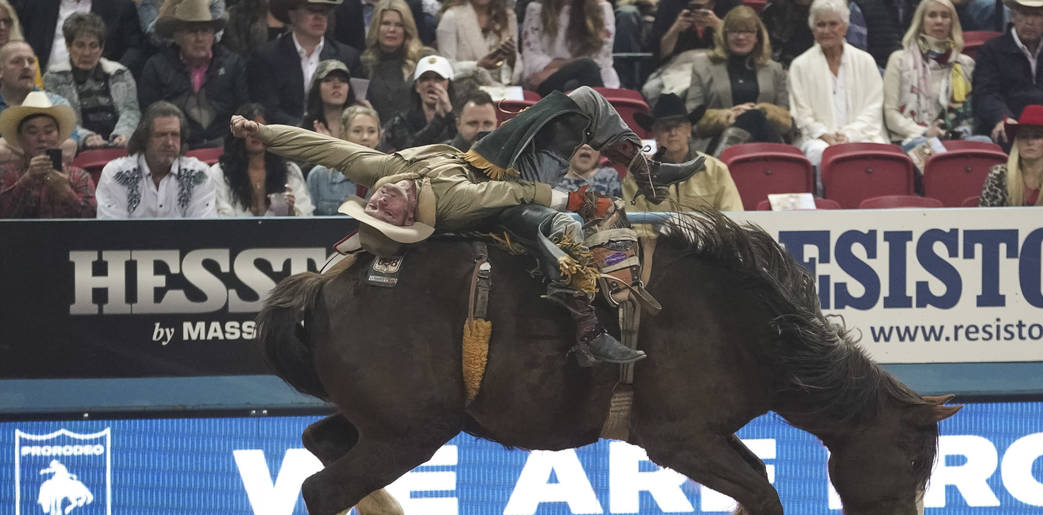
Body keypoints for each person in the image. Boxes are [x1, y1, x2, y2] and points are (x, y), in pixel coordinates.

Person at [230, 86, 706, 364]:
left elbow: (326, 150)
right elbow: (512, 194)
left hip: (492, 160)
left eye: (373, 204)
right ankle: (584, 328)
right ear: (406, 221)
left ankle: (645, 167)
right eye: (385, 212)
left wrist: (264, 133)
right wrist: (572, 198)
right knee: (559, 227)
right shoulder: (451, 202)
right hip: (511, 193)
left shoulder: (385, 173)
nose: (380, 201)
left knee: (582, 97)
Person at [788, 0, 887, 169]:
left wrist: (849, 134)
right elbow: (801, 113)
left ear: (844, 27)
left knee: (874, 154)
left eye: (833, 24)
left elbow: (873, 108)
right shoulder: (799, 65)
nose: (827, 31)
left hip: (862, 134)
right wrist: (823, 134)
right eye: (820, 25)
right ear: (813, 29)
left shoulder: (865, 61)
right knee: (819, 153)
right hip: (818, 139)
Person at [684, 5, 793, 156]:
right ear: (724, 34)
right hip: (715, 139)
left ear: (757, 36)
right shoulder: (703, 66)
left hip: (764, 139)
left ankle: (723, 160)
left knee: (754, 116)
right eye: (735, 31)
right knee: (750, 117)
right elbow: (692, 117)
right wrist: (728, 116)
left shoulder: (775, 69)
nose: (741, 37)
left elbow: (786, 122)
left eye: (748, 31)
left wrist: (763, 110)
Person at [138, 0, 248, 148]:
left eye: (205, 30)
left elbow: (245, 110)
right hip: (177, 149)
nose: (200, 38)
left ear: (213, 35)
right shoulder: (156, 67)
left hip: (227, 148)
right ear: (177, 36)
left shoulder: (233, 64)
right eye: (192, 31)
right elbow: (150, 117)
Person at [248, 0, 364, 127]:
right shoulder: (266, 56)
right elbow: (267, 107)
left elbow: (355, 105)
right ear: (292, 15)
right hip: (283, 137)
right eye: (311, 10)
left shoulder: (349, 57)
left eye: (324, 11)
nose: (318, 17)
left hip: (335, 137)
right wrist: (304, 130)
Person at [95, 100, 216, 217]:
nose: (169, 142)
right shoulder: (115, 173)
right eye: (161, 135)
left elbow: (202, 232)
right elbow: (112, 232)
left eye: (175, 135)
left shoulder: (199, 174)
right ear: (145, 138)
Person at [623, 92, 742, 211]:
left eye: (678, 126)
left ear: (689, 130)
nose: (673, 133)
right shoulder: (637, 176)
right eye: (665, 128)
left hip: (711, 230)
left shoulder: (717, 170)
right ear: (654, 133)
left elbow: (733, 216)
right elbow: (638, 225)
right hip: (656, 231)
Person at [883, 0, 977, 145]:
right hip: (912, 139)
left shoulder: (965, 64)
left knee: (984, 141)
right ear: (921, 22)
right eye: (932, 15)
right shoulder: (899, 60)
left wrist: (957, 133)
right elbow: (890, 114)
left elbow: (971, 116)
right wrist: (924, 132)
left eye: (945, 16)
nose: (938, 21)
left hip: (954, 138)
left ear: (952, 22)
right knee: (931, 148)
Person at [42, 12, 138, 149]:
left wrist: (122, 134)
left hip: (119, 148)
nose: (87, 53)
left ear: (101, 47)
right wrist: (85, 137)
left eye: (93, 46)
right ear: (68, 46)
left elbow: (131, 111)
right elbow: (59, 119)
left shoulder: (121, 74)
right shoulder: (53, 78)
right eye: (80, 45)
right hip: (77, 150)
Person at [0, 90, 95, 217]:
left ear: (59, 136)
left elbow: (92, 222)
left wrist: (66, 192)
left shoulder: (79, 177)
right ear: (20, 139)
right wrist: (28, 179)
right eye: (33, 132)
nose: (42, 138)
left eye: (49, 131)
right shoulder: (6, 174)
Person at [211, 102, 313, 216]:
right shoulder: (219, 173)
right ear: (237, 134)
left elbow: (306, 216)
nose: (256, 134)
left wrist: (291, 212)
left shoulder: (290, 171)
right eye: (249, 129)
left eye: (262, 128)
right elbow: (219, 218)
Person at [972, 0, 1043, 143]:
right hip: (1007, 129)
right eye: (1024, 14)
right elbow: (986, 94)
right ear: (1013, 16)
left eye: (1037, 15)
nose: (1030, 22)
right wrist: (1002, 118)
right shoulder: (991, 50)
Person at [10, 0, 145, 75]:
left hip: (99, 89)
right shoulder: (34, 3)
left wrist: (113, 74)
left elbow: (135, 47)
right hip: (40, 84)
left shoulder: (119, 5)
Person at [0, 41, 81, 160]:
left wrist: (9, 146)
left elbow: (68, 150)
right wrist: (44, 149)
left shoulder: (57, 103)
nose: (26, 66)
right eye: (17, 61)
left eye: (31, 61)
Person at [521, 0, 619, 94]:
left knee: (585, 69)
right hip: (552, 84)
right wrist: (569, 68)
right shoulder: (536, 9)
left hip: (593, 83)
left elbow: (600, 62)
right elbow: (532, 62)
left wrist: (557, 69)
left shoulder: (602, 9)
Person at [361, 0, 425, 123]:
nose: (392, 29)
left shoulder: (422, 60)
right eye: (385, 23)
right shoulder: (364, 63)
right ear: (376, 27)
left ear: (406, 29)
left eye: (399, 25)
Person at [307, 103, 379, 213]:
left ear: (379, 137)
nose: (365, 137)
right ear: (343, 134)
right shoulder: (319, 175)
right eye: (357, 131)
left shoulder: (391, 177)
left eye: (371, 131)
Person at [381, 54, 458, 150]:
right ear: (417, 87)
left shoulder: (462, 116)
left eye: (438, 78)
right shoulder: (402, 121)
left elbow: (464, 145)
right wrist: (438, 120)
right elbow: (409, 151)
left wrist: (449, 114)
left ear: (448, 85)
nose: (431, 84)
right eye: (425, 79)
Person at [436, 0, 521, 86]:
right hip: (466, 93)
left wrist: (511, 59)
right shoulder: (451, 17)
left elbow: (516, 65)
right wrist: (477, 65)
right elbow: (445, 68)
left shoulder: (508, 17)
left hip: (505, 93)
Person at [978, 103, 1043, 204]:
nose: (1029, 142)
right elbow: (984, 216)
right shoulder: (999, 175)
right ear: (1017, 142)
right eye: (1023, 136)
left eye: (1037, 137)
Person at [300, 58, 356, 133]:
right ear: (317, 88)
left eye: (343, 80)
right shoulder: (305, 128)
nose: (337, 85)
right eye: (328, 80)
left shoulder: (360, 123)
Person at [555, 142, 622, 195]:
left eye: (593, 142)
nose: (586, 146)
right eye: (580, 140)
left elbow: (618, 209)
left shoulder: (609, 177)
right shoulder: (552, 179)